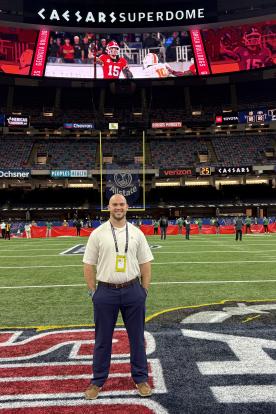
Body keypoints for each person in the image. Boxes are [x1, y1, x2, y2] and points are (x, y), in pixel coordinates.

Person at [83, 194, 153, 400]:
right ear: (108, 207)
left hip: (133, 290)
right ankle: (97, 381)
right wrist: (92, 292)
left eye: (121, 204)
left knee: (137, 338)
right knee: (102, 340)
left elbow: (146, 264)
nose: (118, 207)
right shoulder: (98, 233)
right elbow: (88, 264)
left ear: (127, 207)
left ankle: (140, 378)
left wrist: (144, 290)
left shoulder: (137, 233)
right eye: (115, 204)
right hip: (105, 291)